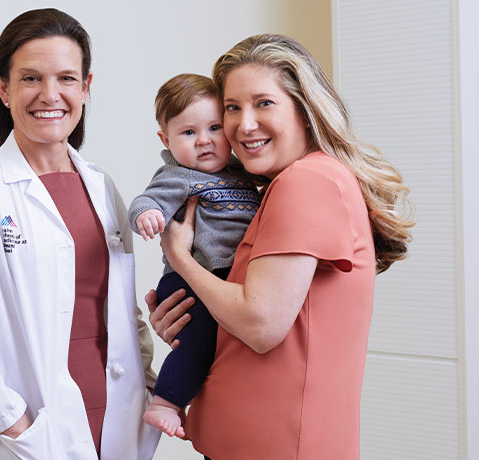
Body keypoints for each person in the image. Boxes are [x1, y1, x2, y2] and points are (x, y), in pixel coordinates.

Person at [0, 9, 160, 460]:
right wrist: (12, 421)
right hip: (28, 431)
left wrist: (149, 384)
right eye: (31, 78)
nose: (50, 95)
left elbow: (119, 308)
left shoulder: (102, 187)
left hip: (115, 417)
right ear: (3, 87)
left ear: (85, 87)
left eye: (65, 78)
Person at [147, 34, 414, 460]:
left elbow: (260, 324)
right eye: (232, 108)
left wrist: (180, 258)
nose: (244, 124)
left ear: (305, 110)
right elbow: (256, 320)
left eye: (264, 103)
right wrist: (192, 322)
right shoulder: (287, 186)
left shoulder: (305, 181)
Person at [128, 73, 260, 438]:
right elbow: (146, 200)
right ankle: (167, 402)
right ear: (166, 139)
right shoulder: (178, 176)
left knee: (220, 345)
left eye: (215, 128)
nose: (204, 141)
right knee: (198, 339)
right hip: (190, 278)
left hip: (224, 280)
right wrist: (147, 215)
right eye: (188, 133)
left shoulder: (243, 174)